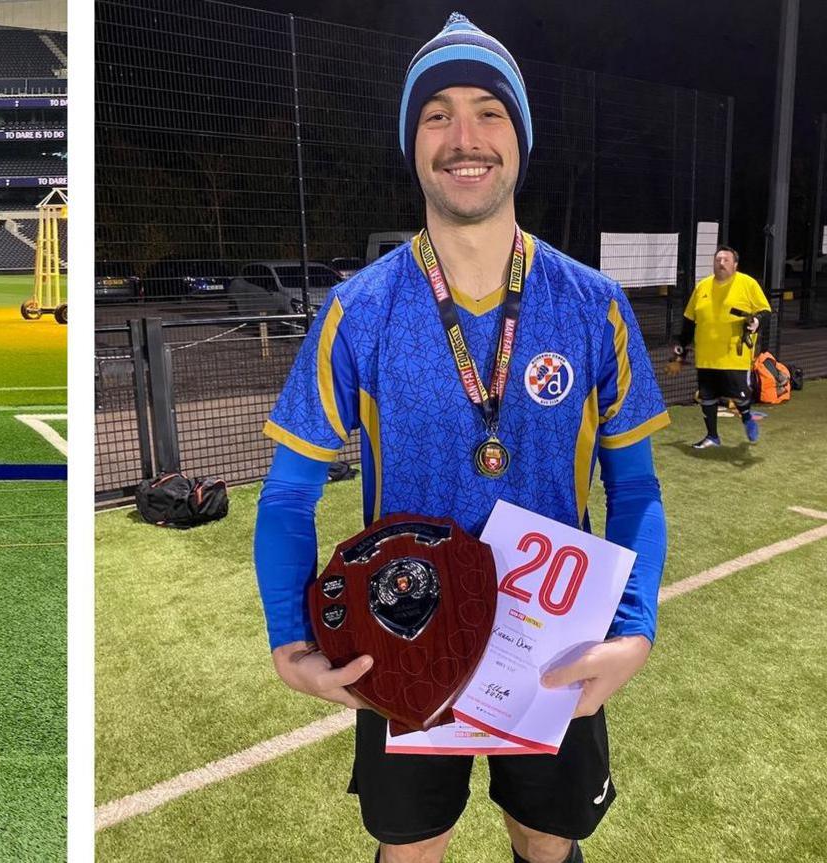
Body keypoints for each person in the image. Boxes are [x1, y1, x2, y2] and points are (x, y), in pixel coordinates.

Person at [253, 14, 668, 863]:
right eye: (437, 114)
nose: (464, 137)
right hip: (397, 639)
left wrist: (634, 629)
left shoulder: (594, 306)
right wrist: (289, 637)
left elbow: (637, 491)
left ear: (519, 136)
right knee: (412, 848)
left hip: (552, 643)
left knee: (546, 841)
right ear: (413, 143)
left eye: (488, 110)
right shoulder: (357, 311)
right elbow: (289, 495)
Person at [670, 246, 770, 448]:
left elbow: (765, 311)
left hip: (734, 354)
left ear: (735, 264)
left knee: (740, 395)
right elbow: (689, 321)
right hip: (706, 356)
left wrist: (756, 321)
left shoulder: (747, 284)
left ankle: (747, 417)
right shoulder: (702, 287)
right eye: (718, 259)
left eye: (726, 260)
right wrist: (680, 350)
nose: (721, 263)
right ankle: (712, 436)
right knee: (707, 396)